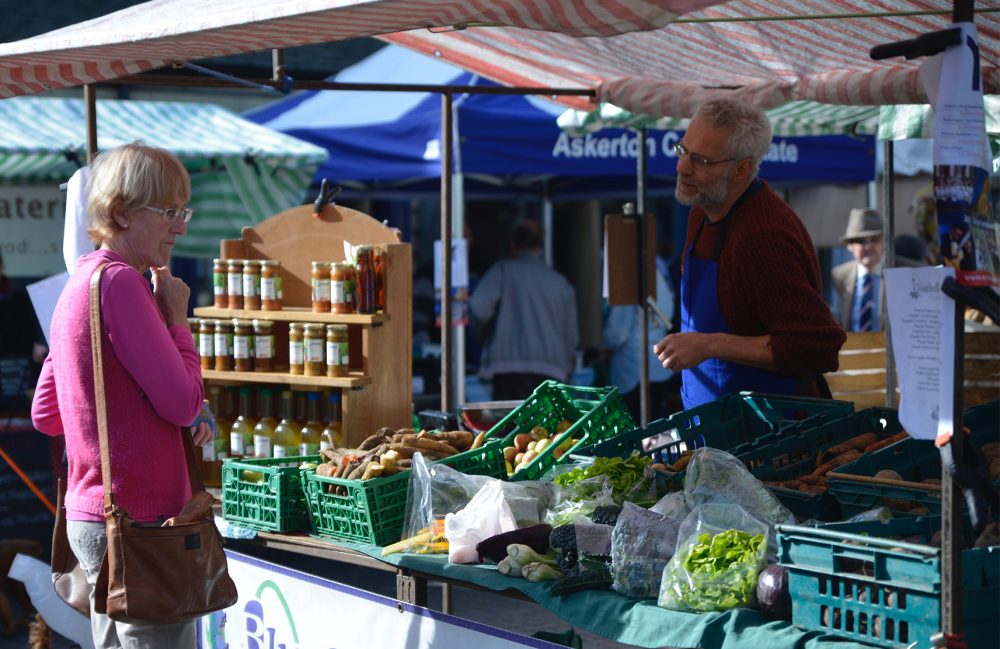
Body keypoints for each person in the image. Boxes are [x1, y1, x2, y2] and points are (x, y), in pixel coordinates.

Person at [30, 142, 214, 648]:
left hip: (94, 516)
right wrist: (177, 321)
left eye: (183, 211)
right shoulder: (121, 284)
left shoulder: (80, 282)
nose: (180, 227)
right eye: (169, 212)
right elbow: (183, 403)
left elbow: (46, 414)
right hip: (141, 523)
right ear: (120, 213)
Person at [654, 97, 845, 410]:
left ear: (741, 170)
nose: (681, 167)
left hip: (769, 428)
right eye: (683, 151)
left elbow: (818, 347)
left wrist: (709, 344)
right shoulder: (700, 212)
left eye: (701, 161)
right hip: (710, 418)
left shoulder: (763, 237)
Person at [469, 220, 578, 400]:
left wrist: (485, 336)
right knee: (545, 419)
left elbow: (479, 307)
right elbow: (571, 337)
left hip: (508, 367)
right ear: (541, 246)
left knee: (512, 418)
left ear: (513, 244)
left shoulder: (502, 271)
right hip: (552, 368)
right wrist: (568, 369)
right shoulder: (561, 283)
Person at [603, 268, 675, 421]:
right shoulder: (660, 274)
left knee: (638, 428)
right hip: (659, 366)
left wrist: (604, 346)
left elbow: (617, 333)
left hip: (634, 371)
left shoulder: (630, 279)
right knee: (658, 426)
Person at [832, 208, 885, 332]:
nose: (868, 246)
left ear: (884, 241)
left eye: (874, 239)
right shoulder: (840, 275)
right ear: (849, 245)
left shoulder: (899, 272)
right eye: (861, 241)